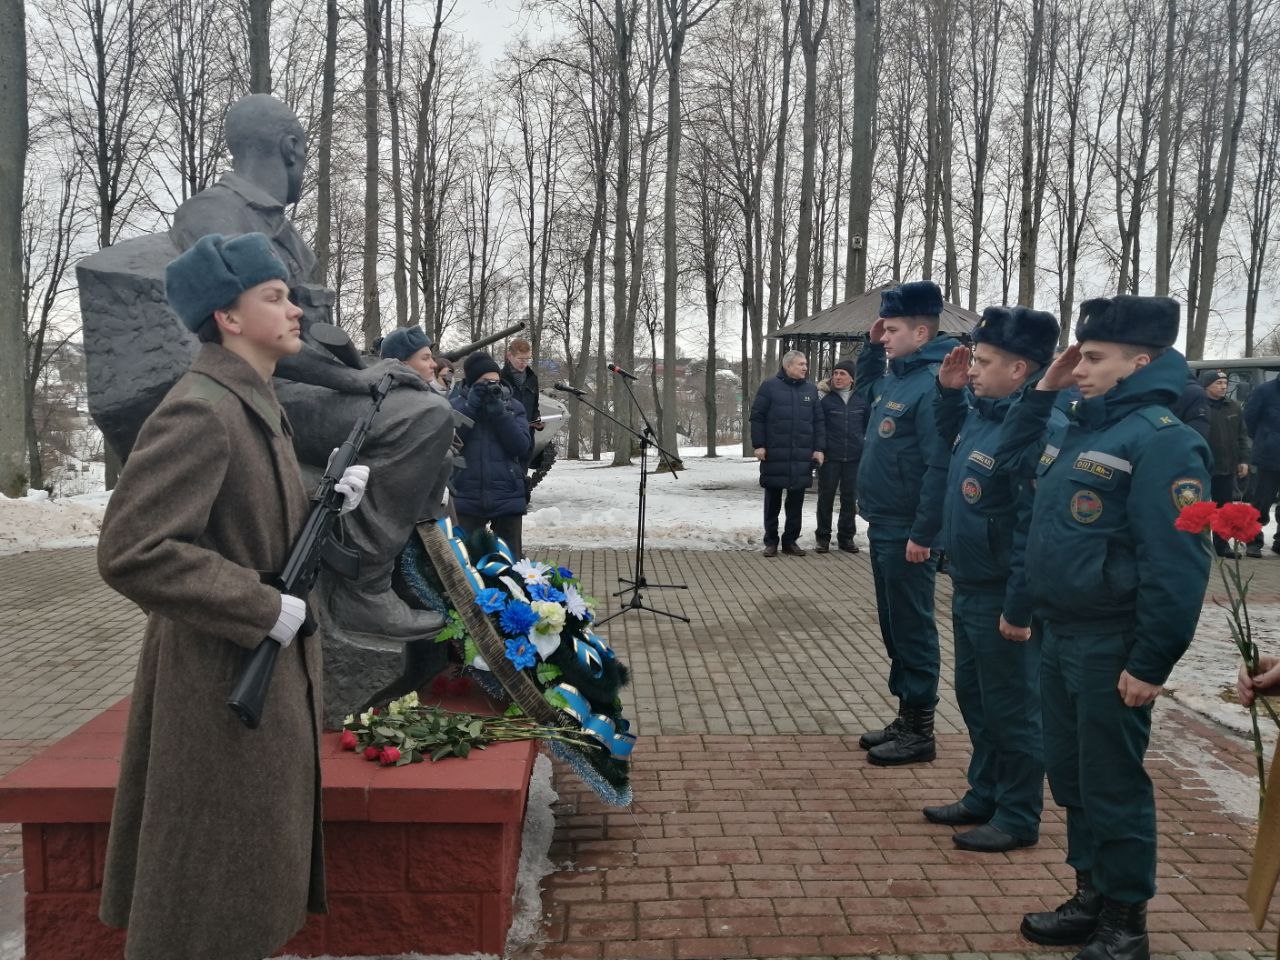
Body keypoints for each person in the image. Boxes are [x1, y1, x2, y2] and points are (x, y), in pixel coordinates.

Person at [96, 233, 371, 960]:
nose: (295, 312)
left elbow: (245, 516)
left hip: (254, 679)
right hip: (219, 682)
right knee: (213, 899)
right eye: (273, 297)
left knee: (244, 887)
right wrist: (258, 606)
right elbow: (134, 550)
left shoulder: (253, 401)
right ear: (228, 316)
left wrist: (324, 499)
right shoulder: (202, 409)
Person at [170, 93, 454, 642]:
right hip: (261, 393)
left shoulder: (285, 232)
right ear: (291, 147)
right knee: (420, 419)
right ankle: (364, 588)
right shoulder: (216, 213)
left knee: (430, 408)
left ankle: (410, 565)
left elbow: (306, 332)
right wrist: (353, 378)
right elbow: (255, 332)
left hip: (297, 385)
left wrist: (376, 366)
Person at [1001, 295, 1211, 960]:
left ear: (1140, 361)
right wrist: (1044, 390)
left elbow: (1176, 565)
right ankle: (1090, 894)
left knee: (1113, 784)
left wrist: (1152, 660)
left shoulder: (1163, 440)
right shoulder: (1082, 428)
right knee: (1072, 777)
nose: (1078, 366)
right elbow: (1011, 467)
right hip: (1061, 634)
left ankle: (1126, 921)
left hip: (1110, 641)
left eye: (1093, 357)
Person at [925, 306, 1063, 853]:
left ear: (1020, 369)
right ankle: (985, 792)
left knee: (1014, 709)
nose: (973, 368)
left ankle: (1018, 814)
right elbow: (947, 438)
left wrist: (1018, 608)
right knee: (977, 699)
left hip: (1004, 595)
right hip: (969, 585)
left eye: (983, 361)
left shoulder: (1037, 429)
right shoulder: (985, 413)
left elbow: (1034, 526)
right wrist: (947, 392)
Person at [854, 280, 956, 766]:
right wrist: (871, 352)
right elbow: (862, 402)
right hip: (884, 522)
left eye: (892, 329)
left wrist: (924, 532)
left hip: (909, 529)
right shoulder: (899, 376)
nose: (885, 335)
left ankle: (921, 729)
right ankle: (905, 714)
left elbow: (941, 466)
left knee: (914, 626)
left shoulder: (936, 383)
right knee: (894, 624)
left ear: (921, 331)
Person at [450, 352, 534, 556]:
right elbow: (449, 445)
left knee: (511, 563)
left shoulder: (513, 407)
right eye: (484, 382)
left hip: (507, 495)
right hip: (466, 496)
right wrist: (471, 408)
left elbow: (521, 447)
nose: (491, 386)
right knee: (466, 565)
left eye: (495, 381)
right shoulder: (455, 406)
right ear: (471, 382)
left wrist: (500, 414)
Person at [750, 349, 825, 557]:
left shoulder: (811, 389)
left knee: (796, 503)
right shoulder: (769, 386)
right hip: (774, 453)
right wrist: (759, 444)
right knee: (772, 501)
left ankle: (790, 541)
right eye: (801, 364)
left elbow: (819, 421)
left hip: (802, 455)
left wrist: (819, 449)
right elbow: (757, 417)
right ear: (787, 366)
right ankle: (771, 542)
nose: (805, 368)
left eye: (805, 364)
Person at [815, 359, 868, 554]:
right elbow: (819, 428)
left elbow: (868, 427)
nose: (837, 377)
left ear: (852, 379)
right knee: (825, 498)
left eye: (842, 374)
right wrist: (820, 450)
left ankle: (846, 538)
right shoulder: (825, 400)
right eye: (835, 373)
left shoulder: (861, 400)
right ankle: (823, 538)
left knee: (849, 499)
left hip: (854, 458)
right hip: (830, 458)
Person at [1202, 369, 1250, 557]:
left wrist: (1244, 460)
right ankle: (1200, 546)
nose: (1223, 387)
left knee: (1224, 509)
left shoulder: (1234, 407)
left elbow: (1242, 436)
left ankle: (1222, 546)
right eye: (1218, 383)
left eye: (1225, 383)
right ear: (1207, 386)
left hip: (1227, 467)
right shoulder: (1198, 406)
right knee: (1201, 509)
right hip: (1203, 467)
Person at [1244, 373, 1280, 558]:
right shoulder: (1264, 391)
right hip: (1268, 458)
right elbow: (1249, 420)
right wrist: (1266, 440)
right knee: (1260, 502)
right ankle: (1253, 541)